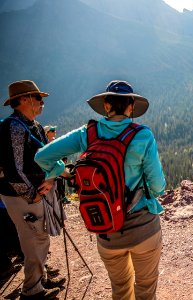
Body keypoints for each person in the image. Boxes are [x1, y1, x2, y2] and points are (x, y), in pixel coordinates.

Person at [35, 80, 166, 300]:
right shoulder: (142, 136)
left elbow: (42, 156)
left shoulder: (87, 133)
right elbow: (157, 186)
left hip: (106, 228)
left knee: (120, 287)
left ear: (106, 106)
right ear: (131, 107)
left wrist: (61, 171)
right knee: (145, 287)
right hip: (143, 227)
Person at [0, 80, 65, 299]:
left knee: (39, 237)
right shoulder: (14, 127)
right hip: (22, 196)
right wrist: (32, 194)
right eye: (38, 98)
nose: (42, 102)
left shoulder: (31, 125)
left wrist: (50, 179)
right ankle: (32, 291)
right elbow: (13, 169)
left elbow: (44, 158)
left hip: (34, 193)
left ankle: (40, 278)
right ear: (25, 99)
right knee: (33, 239)